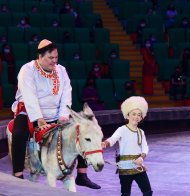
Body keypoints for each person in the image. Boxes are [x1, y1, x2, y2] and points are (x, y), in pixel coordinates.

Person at [10, 39, 101, 189]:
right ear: (40, 56)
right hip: (30, 111)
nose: (54, 61)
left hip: (56, 113)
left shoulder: (61, 70)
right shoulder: (27, 70)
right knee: (19, 133)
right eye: (50, 58)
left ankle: (82, 174)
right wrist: (38, 118)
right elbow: (29, 96)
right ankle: (18, 174)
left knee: (82, 128)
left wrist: (63, 115)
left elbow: (66, 93)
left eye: (56, 57)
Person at [102, 96, 153, 196]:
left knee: (148, 192)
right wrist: (105, 143)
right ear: (127, 115)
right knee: (125, 194)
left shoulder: (141, 132)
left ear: (142, 117)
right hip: (125, 168)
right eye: (134, 114)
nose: (136, 117)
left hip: (138, 167)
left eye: (139, 115)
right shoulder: (122, 129)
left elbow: (145, 148)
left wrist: (141, 158)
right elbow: (112, 139)